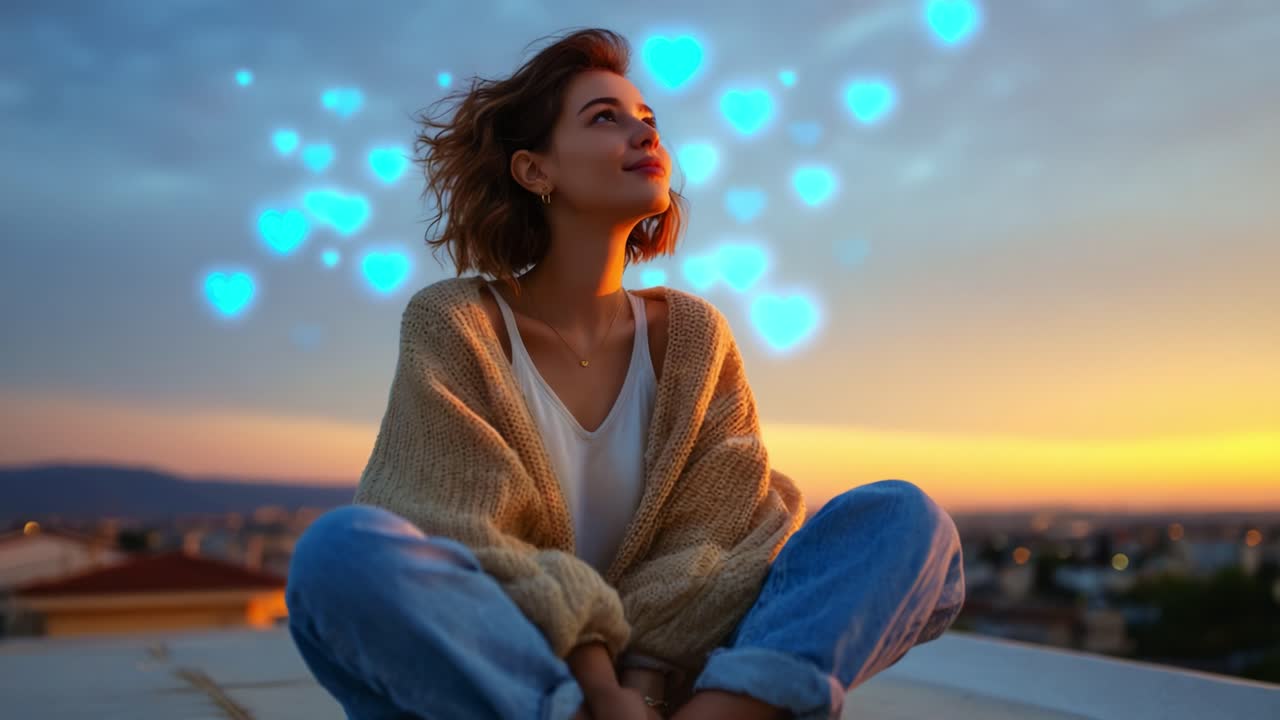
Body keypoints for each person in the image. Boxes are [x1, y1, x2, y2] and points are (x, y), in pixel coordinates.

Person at [285, 27, 966, 720]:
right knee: (337, 556)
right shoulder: (455, 322)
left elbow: (717, 535)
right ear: (534, 170)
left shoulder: (693, 337)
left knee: (905, 520)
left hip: (676, 679)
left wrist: (645, 680)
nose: (646, 137)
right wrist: (600, 692)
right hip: (507, 675)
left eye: (649, 121)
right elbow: (456, 528)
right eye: (605, 118)